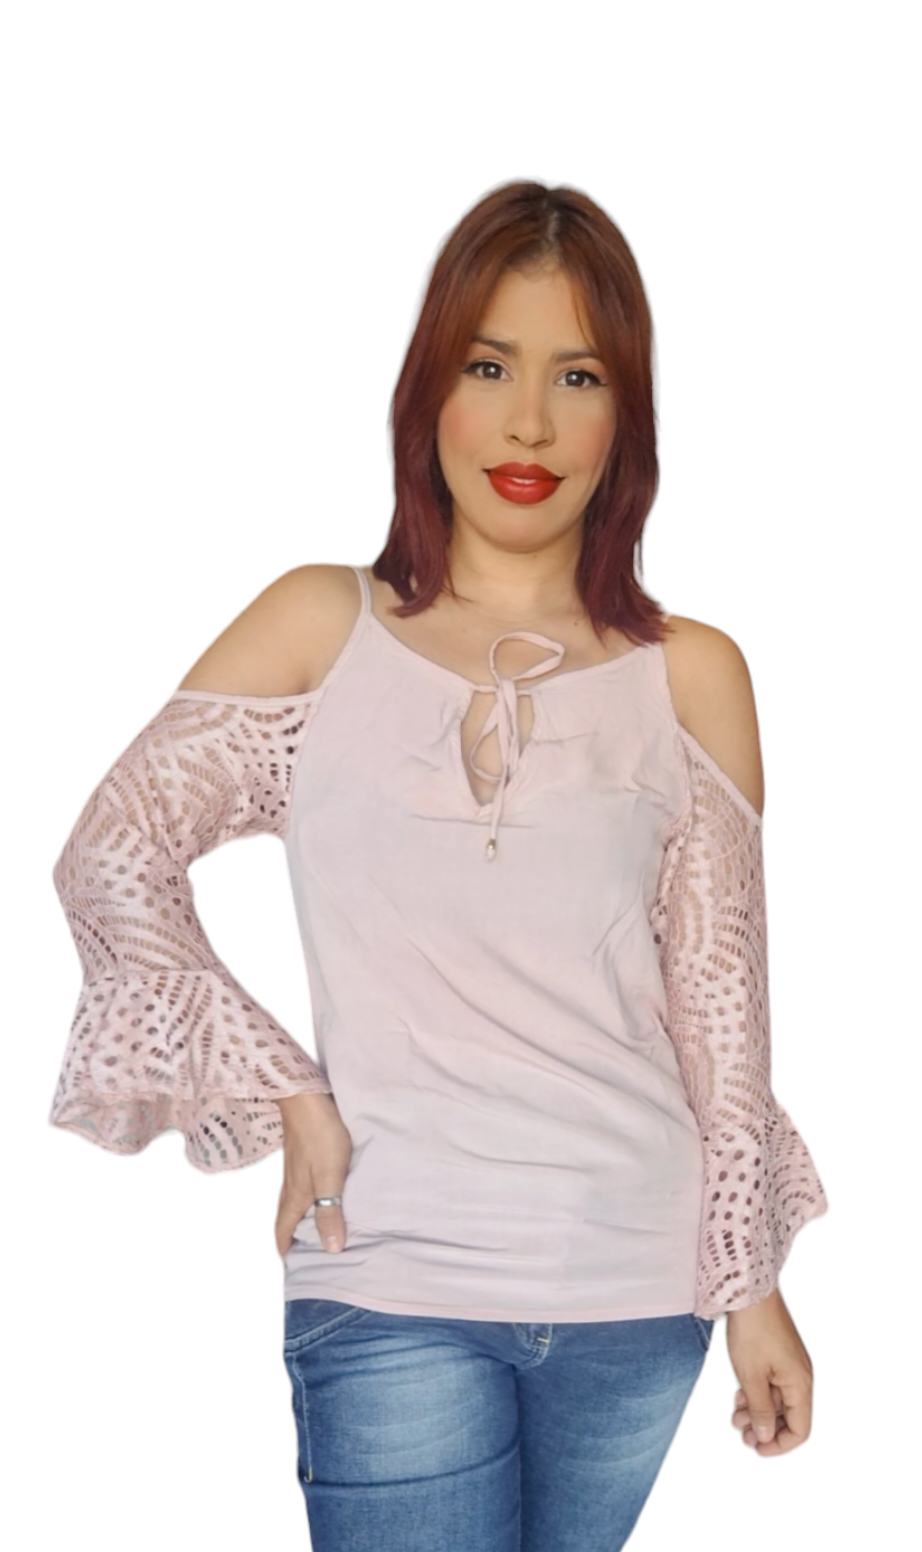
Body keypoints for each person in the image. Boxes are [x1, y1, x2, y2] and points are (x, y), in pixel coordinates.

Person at [49, 180, 829, 1552]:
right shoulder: (320, 626)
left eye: (576, 376)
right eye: (489, 366)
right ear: (428, 394)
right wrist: (288, 1089)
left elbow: (721, 1020)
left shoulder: (692, 674)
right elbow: (112, 853)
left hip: (636, 1292)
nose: (529, 423)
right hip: (387, 1272)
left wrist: (753, 1286)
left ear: (625, 417)